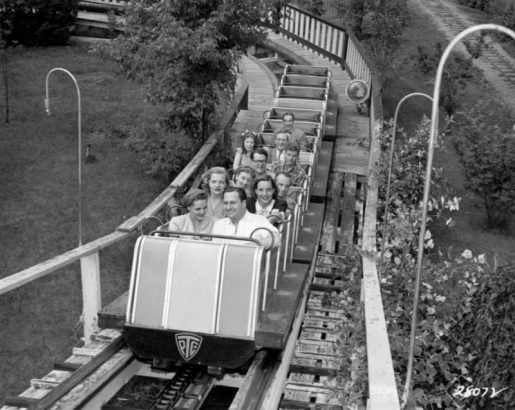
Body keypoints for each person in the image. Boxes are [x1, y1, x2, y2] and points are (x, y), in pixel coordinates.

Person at [212, 187, 280, 250]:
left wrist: (253, 244)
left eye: (233, 203)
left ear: (244, 203)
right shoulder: (219, 224)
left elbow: (276, 240)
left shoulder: (259, 220)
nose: (228, 207)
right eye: (225, 203)